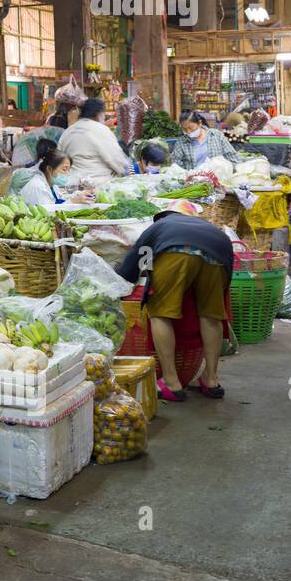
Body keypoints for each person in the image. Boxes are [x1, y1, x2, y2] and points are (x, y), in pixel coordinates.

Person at [116, 211, 233, 402]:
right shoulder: (204, 225)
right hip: (217, 252)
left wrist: (121, 283)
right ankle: (211, 379)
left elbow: (136, 262)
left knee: (160, 312)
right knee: (210, 315)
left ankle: (171, 381)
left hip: (176, 252)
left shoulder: (157, 227)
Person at [57, 98, 130, 180]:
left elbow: (58, 159)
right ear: (99, 114)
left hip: (70, 182)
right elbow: (118, 161)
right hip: (98, 183)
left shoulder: (67, 132)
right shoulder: (102, 130)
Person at [171, 111, 240, 170]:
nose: (188, 132)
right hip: (193, 182)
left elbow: (232, 156)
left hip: (217, 179)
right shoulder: (181, 142)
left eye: (191, 128)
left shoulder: (216, 135)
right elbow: (175, 164)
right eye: (185, 129)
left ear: (200, 123)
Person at [11, 140, 72, 206]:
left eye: (68, 169)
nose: (67, 173)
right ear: (49, 168)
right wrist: (73, 201)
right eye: (64, 169)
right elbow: (48, 212)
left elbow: (57, 201)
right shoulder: (38, 186)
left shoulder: (50, 184)